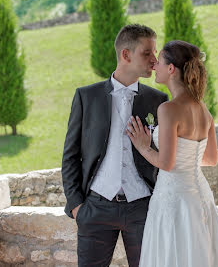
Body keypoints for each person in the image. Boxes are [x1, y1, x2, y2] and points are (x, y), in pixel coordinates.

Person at [127, 40, 218, 267]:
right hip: (200, 194)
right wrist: (185, 159)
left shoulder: (168, 109)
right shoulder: (203, 108)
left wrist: (143, 146)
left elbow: (166, 163)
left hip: (174, 198)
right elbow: (210, 158)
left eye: (160, 62)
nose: (155, 66)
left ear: (171, 69)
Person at [61, 24, 168, 267]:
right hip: (95, 208)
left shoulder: (158, 101)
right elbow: (70, 156)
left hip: (143, 207)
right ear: (126, 55)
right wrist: (77, 206)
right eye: (147, 53)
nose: (154, 60)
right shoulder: (86, 96)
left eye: (155, 53)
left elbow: (166, 157)